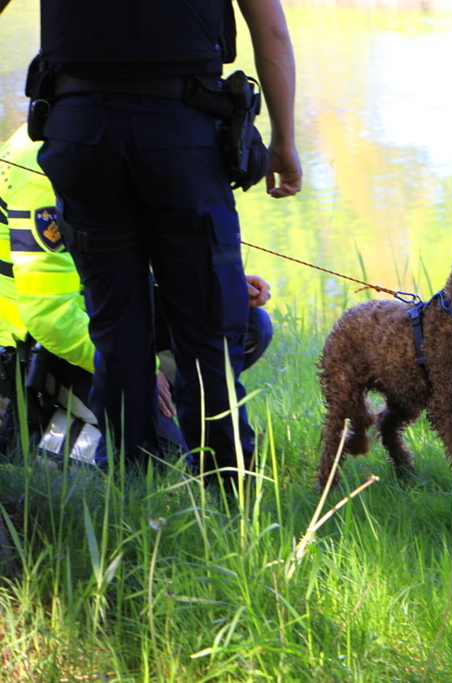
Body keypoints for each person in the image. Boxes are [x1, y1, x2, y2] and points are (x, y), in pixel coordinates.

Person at [29, 0, 301, 473]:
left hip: (83, 135)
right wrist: (284, 141)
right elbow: (271, 32)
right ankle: (225, 496)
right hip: (182, 137)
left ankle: (131, 486)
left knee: (117, 329)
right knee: (209, 330)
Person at [0, 124, 275, 465]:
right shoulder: (47, 169)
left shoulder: (124, 140)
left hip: (94, 307)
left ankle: (149, 403)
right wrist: (144, 367)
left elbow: (124, 255)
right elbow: (49, 316)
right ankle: (34, 432)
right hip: (32, 343)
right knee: (161, 456)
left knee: (246, 324)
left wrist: (214, 281)